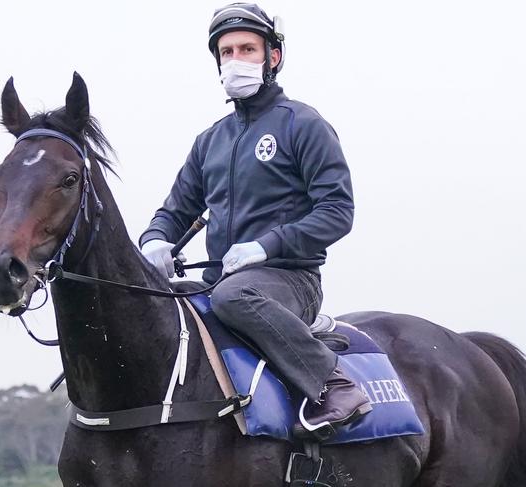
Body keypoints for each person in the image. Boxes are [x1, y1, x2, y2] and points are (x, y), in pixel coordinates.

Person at [139, 2, 371, 440]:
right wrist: (155, 241)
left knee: (233, 296)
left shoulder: (303, 124)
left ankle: (334, 385)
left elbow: (338, 212)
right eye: (226, 52)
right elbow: (173, 212)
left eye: (247, 49)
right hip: (218, 279)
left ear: (273, 57)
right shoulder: (209, 140)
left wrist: (268, 245)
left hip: (289, 278)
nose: (235, 60)